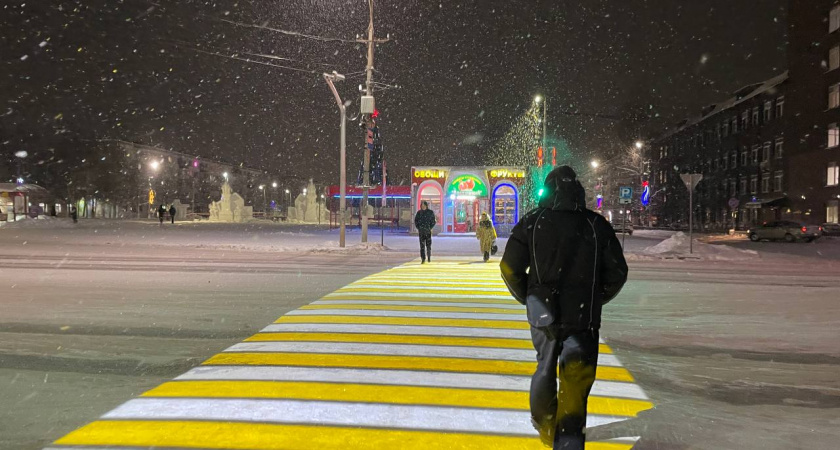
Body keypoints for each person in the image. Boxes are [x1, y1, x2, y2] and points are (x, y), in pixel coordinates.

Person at [500, 166, 628, 450]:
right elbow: (618, 272)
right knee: (575, 382)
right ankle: (568, 441)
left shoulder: (532, 222)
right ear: (578, 192)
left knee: (544, 369)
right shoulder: (596, 225)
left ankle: (545, 423)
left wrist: (530, 298)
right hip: (583, 318)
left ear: (547, 190)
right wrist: (595, 297)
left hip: (544, 314)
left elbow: (509, 268)